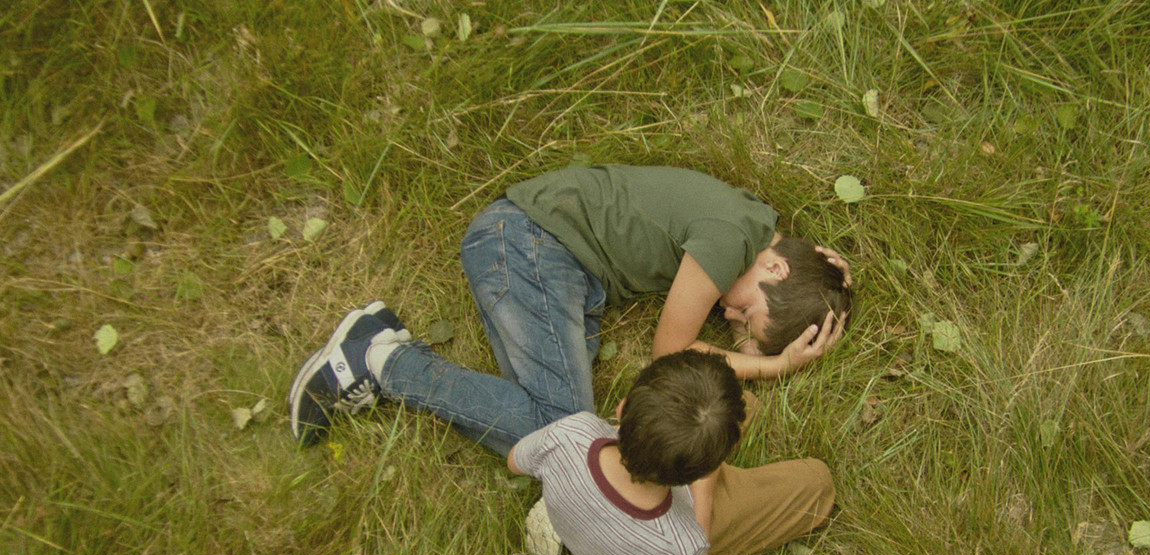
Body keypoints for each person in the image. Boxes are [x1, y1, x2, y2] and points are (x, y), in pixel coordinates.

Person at [288, 165, 853, 453]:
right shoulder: (730, 240)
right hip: (528, 246)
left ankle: (372, 332)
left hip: (552, 264)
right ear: (775, 267)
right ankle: (381, 363)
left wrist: (821, 278)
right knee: (561, 433)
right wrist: (776, 366)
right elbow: (670, 356)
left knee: (551, 434)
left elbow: (784, 266)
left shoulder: (757, 228)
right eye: (745, 315)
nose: (729, 320)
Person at [513, 350, 833, 555]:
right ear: (699, 475)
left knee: (738, 405)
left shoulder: (571, 433)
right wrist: (704, 494)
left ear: (623, 407)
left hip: (579, 513)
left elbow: (516, 460)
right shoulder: (681, 544)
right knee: (817, 481)